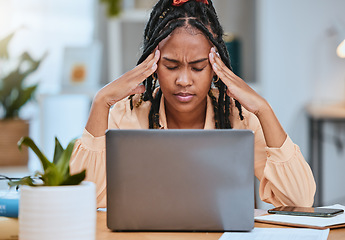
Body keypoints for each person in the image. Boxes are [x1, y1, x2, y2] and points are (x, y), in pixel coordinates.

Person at [70, 0, 316, 208]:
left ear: (215, 66)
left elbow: (300, 200)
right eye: (171, 66)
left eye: (198, 67)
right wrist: (101, 102)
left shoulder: (238, 117)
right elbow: (87, 201)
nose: (184, 80)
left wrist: (264, 109)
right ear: (152, 65)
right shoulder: (129, 114)